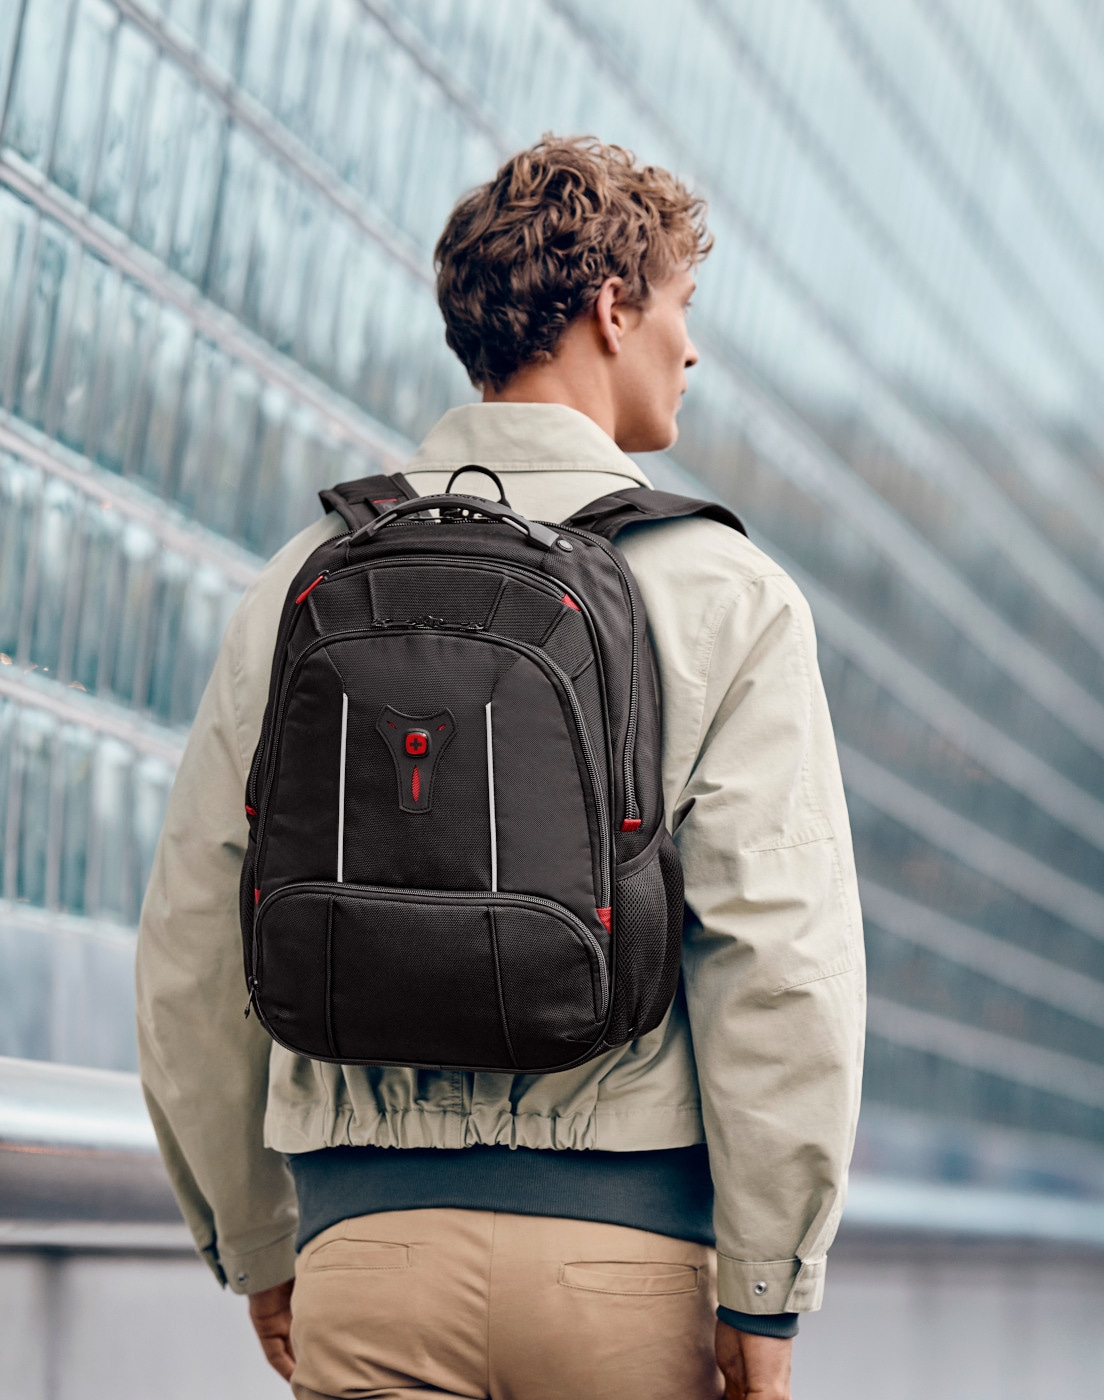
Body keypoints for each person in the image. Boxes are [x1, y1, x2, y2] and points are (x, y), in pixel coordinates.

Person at [137, 134, 864, 1400]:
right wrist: (767, 1279)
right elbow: (777, 953)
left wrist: (253, 1234)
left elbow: (196, 935)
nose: (690, 349)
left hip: (369, 1252)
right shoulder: (725, 592)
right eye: (680, 306)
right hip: (623, 1269)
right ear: (611, 307)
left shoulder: (303, 577)